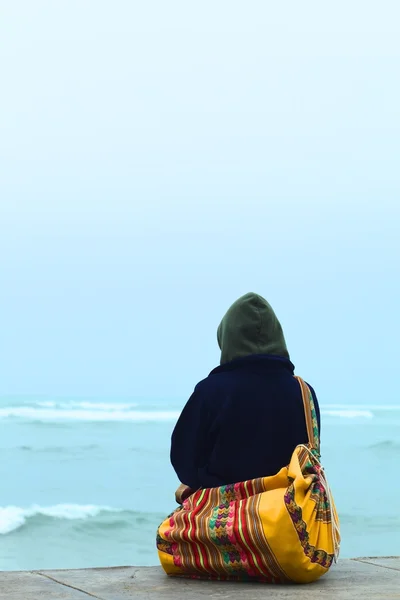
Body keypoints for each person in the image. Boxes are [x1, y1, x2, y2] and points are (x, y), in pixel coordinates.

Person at [170, 292, 320, 500]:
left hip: (226, 524)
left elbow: (185, 462)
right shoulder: (304, 392)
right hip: (289, 522)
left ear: (226, 337)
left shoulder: (212, 391)